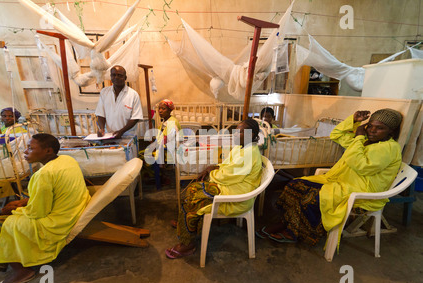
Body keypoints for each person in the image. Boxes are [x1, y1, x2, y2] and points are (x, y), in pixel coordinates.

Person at [256, 108, 403, 246]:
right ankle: (286, 222)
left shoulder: (388, 148)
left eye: (379, 128)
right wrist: (354, 120)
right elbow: (336, 135)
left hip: (360, 192)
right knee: (295, 185)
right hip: (341, 182)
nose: (372, 130)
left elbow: (361, 166)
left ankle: (301, 233)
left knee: (313, 197)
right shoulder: (366, 142)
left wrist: (358, 137)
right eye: (370, 126)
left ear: (391, 131)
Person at [0, 133, 91, 283]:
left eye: (30, 148)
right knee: (10, 213)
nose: (25, 152)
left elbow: (37, 212)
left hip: (57, 223)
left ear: (48, 151)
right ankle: (6, 255)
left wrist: (13, 210)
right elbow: (50, 194)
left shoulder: (42, 175)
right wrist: (22, 203)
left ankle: (21, 272)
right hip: (72, 208)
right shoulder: (66, 160)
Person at [165, 119, 263, 259]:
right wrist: (214, 167)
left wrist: (212, 174)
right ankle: (186, 224)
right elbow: (228, 167)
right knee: (192, 189)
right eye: (235, 130)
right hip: (229, 187)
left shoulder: (250, 153)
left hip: (236, 197)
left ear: (251, 134)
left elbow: (228, 176)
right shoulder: (242, 147)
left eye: (239, 131)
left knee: (195, 197)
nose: (235, 134)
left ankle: (187, 243)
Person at [95, 65, 144, 139]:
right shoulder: (104, 92)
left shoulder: (133, 94)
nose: (116, 77)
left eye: (119, 75)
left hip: (127, 135)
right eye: (113, 75)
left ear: (125, 78)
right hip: (108, 136)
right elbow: (101, 114)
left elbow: (135, 118)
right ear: (110, 77)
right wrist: (101, 129)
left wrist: (121, 131)